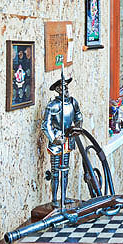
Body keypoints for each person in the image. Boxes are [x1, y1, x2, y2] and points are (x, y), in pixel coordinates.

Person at [41, 70, 82, 210]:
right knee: (55, 172)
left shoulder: (73, 102)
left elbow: (78, 116)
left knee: (65, 170)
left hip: (68, 139)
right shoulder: (53, 105)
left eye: (66, 86)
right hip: (58, 140)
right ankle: (54, 199)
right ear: (58, 90)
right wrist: (54, 138)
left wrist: (77, 127)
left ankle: (63, 197)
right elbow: (45, 125)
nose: (66, 89)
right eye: (63, 87)